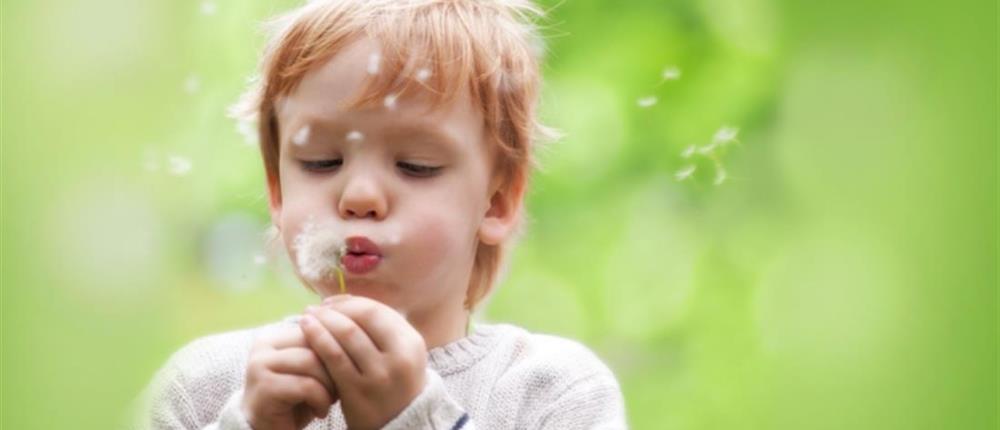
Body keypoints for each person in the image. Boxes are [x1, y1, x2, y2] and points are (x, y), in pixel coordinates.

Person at [133, 1, 626, 428]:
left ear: (496, 202)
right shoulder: (203, 388)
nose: (359, 196)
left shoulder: (551, 393)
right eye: (320, 162)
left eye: (416, 166)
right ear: (278, 191)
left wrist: (414, 418)